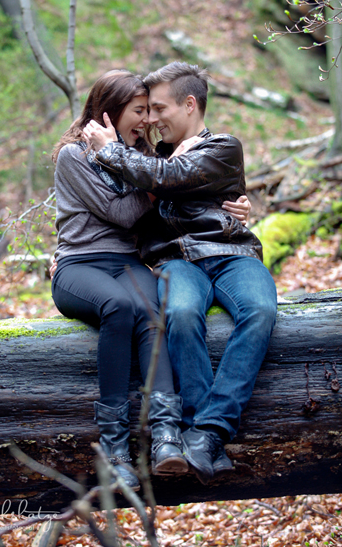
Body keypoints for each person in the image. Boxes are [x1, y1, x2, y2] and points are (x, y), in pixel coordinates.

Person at [82, 61, 278, 485]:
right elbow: (109, 213)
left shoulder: (223, 146)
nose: (150, 119)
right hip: (176, 261)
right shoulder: (147, 160)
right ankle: (202, 437)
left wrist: (107, 149)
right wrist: (67, 255)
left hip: (230, 254)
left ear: (190, 104)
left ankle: (207, 432)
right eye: (145, 110)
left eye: (158, 108)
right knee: (183, 313)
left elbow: (169, 177)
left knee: (261, 309)